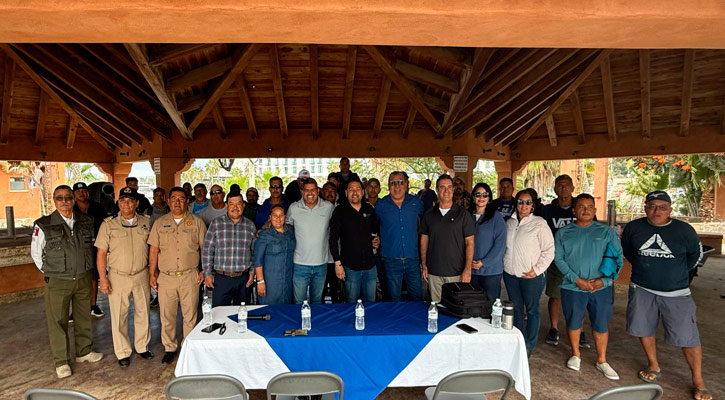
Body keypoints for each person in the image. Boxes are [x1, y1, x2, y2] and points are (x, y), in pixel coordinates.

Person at [622, 190, 711, 400]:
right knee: (644, 328)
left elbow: (694, 256)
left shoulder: (684, 230)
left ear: (670, 209)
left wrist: (674, 274)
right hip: (642, 288)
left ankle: (698, 381)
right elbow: (629, 251)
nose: (657, 211)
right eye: (652, 206)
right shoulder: (634, 228)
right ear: (645, 208)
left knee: (688, 336)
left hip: (677, 292)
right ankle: (653, 365)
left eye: (662, 207)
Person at [30, 185, 103, 379]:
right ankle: (61, 361)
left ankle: (84, 351)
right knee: (58, 321)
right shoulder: (44, 224)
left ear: (73, 199)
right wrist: (52, 271)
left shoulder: (86, 221)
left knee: (83, 316)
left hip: (83, 277)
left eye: (68, 197)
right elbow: (37, 254)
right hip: (58, 280)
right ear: (54, 200)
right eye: (60, 198)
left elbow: (92, 247)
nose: (64, 201)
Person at [554, 194, 622, 380]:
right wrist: (576, 279)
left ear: (595, 210)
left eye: (590, 207)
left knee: (600, 323)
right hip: (572, 286)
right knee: (574, 321)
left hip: (601, 288)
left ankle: (602, 361)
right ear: (574, 210)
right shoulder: (563, 233)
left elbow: (618, 258)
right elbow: (558, 258)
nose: (586, 210)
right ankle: (576, 354)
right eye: (581, 207)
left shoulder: (606, 232)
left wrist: (605, 281)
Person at [95, 187, 154, 368]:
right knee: (119, 315)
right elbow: (101, 253)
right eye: (122, 200)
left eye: (130, 200)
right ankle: (122, 352)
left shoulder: (146, 222)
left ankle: (142, 347)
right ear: (118, 203)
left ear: (136, 203)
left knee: (143, 312)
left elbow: (154, 248)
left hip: (141, 274)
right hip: (117, 276)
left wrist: (153, 272)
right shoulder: (108, 224)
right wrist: (103, 279)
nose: (126, 204)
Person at [147, 186, 206, 365]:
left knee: (190, 315)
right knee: (167, 315)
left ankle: (187, 346)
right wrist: (152, 273)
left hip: (190, 275)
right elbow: (154, 250)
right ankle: (170, 347)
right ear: (168, 201)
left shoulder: (197, 222)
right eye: (174, 198)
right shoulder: (160, 223)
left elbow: (205, 248)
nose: (178, 202)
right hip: (166, 277)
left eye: (181, 198)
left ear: (187, 201)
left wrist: (204, 270)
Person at [541, 174, 591, 348]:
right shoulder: (548, 210)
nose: (563, 188)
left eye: (566, 185)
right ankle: (554, 328)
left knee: (579, 295)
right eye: (559, 185)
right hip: (556, 259)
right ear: (555, 189)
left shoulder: (581, 206)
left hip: (579, 259)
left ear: (572, 188)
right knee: (555, 295)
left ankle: (580, 329)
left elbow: (592, 230)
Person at [503, 188, 554, 355]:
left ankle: (529, 344)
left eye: (527, 202)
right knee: (516, 308)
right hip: (511, 275)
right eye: (520, 202)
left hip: (530, 276)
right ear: (515, 204)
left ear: (533, 205)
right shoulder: (509, 222)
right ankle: (517, 339)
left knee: (532, 310)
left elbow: (549, 250)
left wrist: (537, 270)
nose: (523, 205)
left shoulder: (539, 223)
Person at [420, 174, 475, 302]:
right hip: (434, 271)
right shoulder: (429, 214)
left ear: (453, 189)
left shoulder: (463, 214)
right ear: (437, 190)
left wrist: (467, 269)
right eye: (442, 187)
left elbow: (470, 242)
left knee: (455, 308)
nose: (446, 191)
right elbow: (424, 240)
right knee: (437, 308)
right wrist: (424, 264)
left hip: (456, 272)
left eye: (449, 187)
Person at [376, 171, 424, 302]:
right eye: (393, 183)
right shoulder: (381, 205)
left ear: (407, 185)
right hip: (391, 259)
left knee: (417, 298)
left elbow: (426, 224)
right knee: (393, 299)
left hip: (412, 258)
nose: (397, 186)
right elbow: (372, 226)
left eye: (400, 182)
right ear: (388, 186)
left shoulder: (416, 203)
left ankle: (415, 322)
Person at [202, 191, 256, 307]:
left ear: (243, 205)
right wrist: (207, 274)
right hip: (222, 278)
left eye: (239, 204)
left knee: (242, 313)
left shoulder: (250, 225)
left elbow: (254, 252)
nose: (235, 207)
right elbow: (207, 250)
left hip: (243, 279)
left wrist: (252, 273)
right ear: (226, 205)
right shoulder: (216, 224)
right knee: (219, 314)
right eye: (232, 204)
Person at [329, 180, 380, 302]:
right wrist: (338, 264)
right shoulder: (339, 211)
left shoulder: (369, 209)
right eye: (351, 189)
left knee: (371, 302)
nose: (354, 192)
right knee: (352, 303)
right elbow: (333, 239)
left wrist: (378, 240)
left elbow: (376, 231)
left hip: (370, 266)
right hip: (350, 267)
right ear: (346, 193)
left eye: (357, 189)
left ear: (363, 192)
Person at [286, 178, 334, 304]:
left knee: (317, 301)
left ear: (318, 191)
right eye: (306, 190)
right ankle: (299, 324)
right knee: (298, 302)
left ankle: (316, 324)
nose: (310, 193)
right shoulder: (294, 208)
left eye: (313, 189)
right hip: (299, 264)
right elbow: (284, 228)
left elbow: (337, 228)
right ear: (302, 192)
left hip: (321, 264)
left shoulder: (328, 207)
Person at [72, 182, 108, 319]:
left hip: (95, 246)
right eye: (78, 191)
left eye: (84, 191)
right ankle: (76, 310)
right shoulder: (71, 208)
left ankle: (93, 305)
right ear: (74, 194)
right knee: (77, 278)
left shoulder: (97, 207)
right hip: (76, 248)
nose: (82, 193)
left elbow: (106, 224)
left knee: (93, 277)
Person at [469, 183, 507, 300]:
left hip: (491, 271)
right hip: (470, 269)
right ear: (473, 197)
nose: (481, 198)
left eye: (485, 195)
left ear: (489, 197)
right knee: (472, 303)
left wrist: (484, 262)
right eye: (478, 194)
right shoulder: (467, 216)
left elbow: (500, 245)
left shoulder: (496, 217)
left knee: (490, 304)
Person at [253, 204, 296, 304]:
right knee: (269, 310)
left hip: (287, 280)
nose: (278, 218)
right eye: (275, 215)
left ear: (285, 217)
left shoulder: (290, 233)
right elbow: (258, 260)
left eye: (281, 215)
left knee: (286, 309)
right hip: (270, 281)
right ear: (270, 217)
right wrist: (260, 281)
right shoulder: (264, 235)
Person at [321, 181, 343, 303]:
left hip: (338, 258)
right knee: (321, 292)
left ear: (337, 193)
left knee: (337, 293)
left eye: (332, 191)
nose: (329, 193)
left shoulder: (342, 209)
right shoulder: (318, 209)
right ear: (322, 193)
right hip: (322, 259)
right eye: (327, 191)